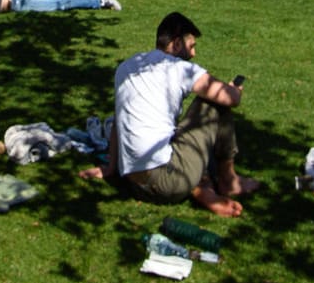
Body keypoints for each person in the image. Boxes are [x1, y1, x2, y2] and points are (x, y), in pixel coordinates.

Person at [78, 12, 257, 217]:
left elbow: (120, 119)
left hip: (134, 183)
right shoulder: (179, 68)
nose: (194, 54)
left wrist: (111, 166)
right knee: (212, 104)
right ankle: (228, 181)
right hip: (167, 181)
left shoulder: (126, 67)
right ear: (177, 43)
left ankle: (202, 189)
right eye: (191, 46)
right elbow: (230, 98)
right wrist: (234, 89)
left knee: (180, 132)